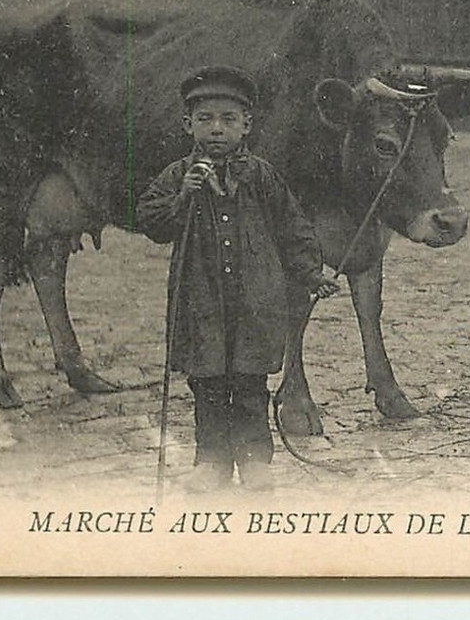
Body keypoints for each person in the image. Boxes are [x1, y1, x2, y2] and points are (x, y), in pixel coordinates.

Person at [135, 66, 340, 491]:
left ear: (247, 125)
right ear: (187, 124)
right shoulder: (178, 176)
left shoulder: (261, 176)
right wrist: (182, 198)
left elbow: (292, 228)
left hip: (254, 300)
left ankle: (254, 462)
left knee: (249, 384)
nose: (216, 129)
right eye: (205, 119)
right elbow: (151, 221)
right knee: (207, 385)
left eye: (228, 120)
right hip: (201, 301)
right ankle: (211, 462)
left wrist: (309, 273)